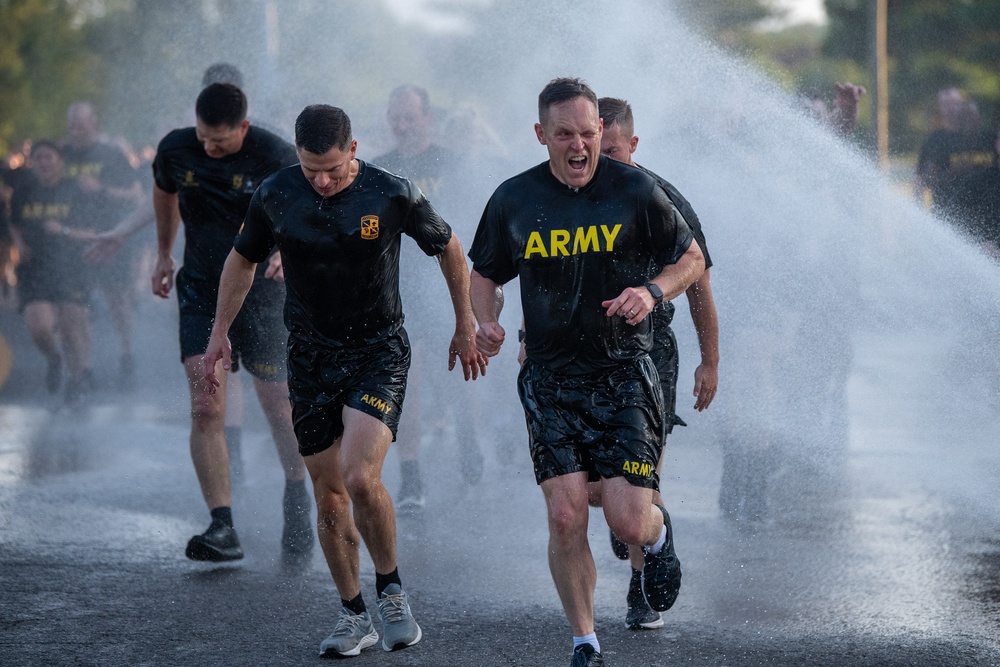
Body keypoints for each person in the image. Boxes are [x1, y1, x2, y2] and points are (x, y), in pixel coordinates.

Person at [201, 104, 484, 657]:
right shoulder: (278, 194)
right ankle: (354, 613)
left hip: (378, 350)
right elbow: (242, 261)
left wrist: (464, 321)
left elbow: (449, 246)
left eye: (331, 168)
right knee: (328, 495)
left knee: (358, 477)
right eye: (311, 169)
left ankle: (392, 588)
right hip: (308, 356)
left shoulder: (391, 192)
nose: (322, 181)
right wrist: (219, 331)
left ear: (353, 150)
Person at [469, 78, 704, 667]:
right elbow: (485, 274)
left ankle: (659, 532)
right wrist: (485, 320)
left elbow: (692, 260)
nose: (579, 148)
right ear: (541, 135)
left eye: (589, 134)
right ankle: (585, 642)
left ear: (603, 131)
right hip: (549, 380)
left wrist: (651, 292)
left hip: (624, 374)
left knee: (627, 520)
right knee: (566, 512)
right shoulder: (513, 199)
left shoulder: (635, 189)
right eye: (565, 135)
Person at [151, 82, 312, 561]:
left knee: (280, 404)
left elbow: (307, 209)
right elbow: (164, 193)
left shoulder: (275, 154)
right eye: (203, 137)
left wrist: (286, 247)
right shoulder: (177, 149)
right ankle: (222, 526)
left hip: (263, 291)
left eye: (219, 140)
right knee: (206, 403)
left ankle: (297, 487)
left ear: (243, 126)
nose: (209, 147)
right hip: (202, 285)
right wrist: (163, 253)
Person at [592, 96, 719, 631]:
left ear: (633, 145)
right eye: (597, 151)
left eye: (614, 151)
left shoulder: (661, 198)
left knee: (640, 471)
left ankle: (642, 587)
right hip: (580, 355)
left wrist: (709, 361)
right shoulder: (568, 195)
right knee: (599, 490)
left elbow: (698, 283)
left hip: (649, 351)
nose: (604, 163)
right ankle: (642, 526)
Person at [373, 84, 483, 508]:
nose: (401, 125)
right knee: (408, 382)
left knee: (458, 376)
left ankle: (469, 437)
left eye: (409, 117)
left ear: (427, 118)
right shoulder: (380, 170)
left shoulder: (452, 163)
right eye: (395, 117)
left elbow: (472, 221)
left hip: (446, 286)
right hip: (396, 290)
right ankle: (412, 478)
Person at [60, 101, 146, 389]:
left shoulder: (111, 155)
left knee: (117, 299)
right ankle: (85, 368)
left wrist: (102, 190)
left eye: (81, 127)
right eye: (72, 126)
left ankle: (127, 352)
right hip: (73, 241)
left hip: (110, 238)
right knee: (77, 304)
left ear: (94, 125)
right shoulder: (63, 155)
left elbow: (135, 195)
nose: (75, 132)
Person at [7, 140, 97, 404]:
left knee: (70, 325)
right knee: (39, 327)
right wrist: (20, 244)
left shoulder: (75, 191)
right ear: (32, 162)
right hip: (35, 268)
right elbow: (13, 223)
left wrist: (64, 231)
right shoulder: (24, 190)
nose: (44, 162)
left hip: (71, 266)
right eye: (39, 158)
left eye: (49, 157)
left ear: (60, 161)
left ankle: (77, 380)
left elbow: (92, 233)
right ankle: (53, 358)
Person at [914, 88, 996, 215]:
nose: (951, 108)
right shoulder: (938, 140)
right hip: (949, 212)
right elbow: (925, 179)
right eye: (945, 104)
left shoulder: (990, 139)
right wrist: (954, 173)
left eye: (954, 103)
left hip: (988, 214)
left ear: (978, 117)